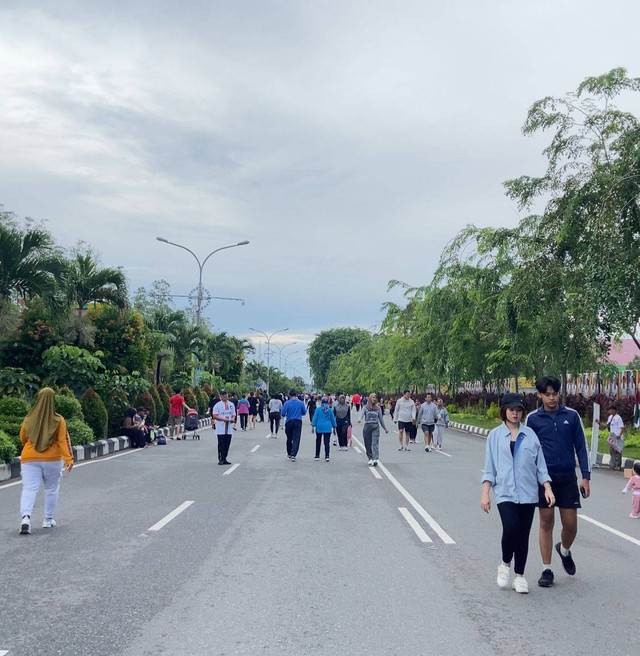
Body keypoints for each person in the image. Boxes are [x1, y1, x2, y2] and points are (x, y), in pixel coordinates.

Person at [481, 393, 555, 594]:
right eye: (512, 409)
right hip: (505, 492)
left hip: (528, 493)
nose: (515, 413)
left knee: (523, 535)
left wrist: (547, 488)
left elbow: (540, 467)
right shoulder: (495, 436)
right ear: (504, 410)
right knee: (511, 527)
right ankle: (505, 564)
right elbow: (490, 468)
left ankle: (519, 577)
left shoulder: (530, 435)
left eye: (519, 410)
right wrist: (485, 493)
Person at [525, 376, 591, 588]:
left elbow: (581, 447)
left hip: (567, 478)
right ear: (540, 395)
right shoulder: (533, 419)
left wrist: (586, 477)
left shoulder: (571, 416)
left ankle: (563, 549)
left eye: (555, 394)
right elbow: (528, 451)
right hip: (544, 479)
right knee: (546, 522)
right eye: (547, 394)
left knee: (571, 525)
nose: (551, 398)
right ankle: (547, 569)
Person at [18, 387, 74, 534]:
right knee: (51, 489)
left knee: (29, 489)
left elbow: (22, 438)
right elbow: (62, 441)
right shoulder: (58, 420)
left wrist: (31, 447)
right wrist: (69, 459)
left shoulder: (29, 418)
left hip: (29, 457)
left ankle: (25, 519)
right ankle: (47, 520)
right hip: (52, 459)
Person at [358, 393, 388, 466]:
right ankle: (370, 458)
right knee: (368, 443)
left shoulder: (378, 408)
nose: (374, 399)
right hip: (367, 426)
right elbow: (361, 414)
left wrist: (385, 428)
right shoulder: (365, 407)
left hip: (375, 426)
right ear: (370, 398)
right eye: (373, 397)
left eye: (375, 398)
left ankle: (375, 459)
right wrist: (359, 419)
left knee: (375, 443)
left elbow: (381, 419)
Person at [596, 405, 625, 471]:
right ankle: (613, 465)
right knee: (612, 451)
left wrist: (619, 435)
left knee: (617, 451)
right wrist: (599, 423)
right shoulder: (610, 417)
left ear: (614, 410)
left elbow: (622, 427)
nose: (609, 411)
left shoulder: (618, 418)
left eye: (611, 410)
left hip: (617, 436)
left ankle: (618, 465)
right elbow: (607, 425)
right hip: (612, 436)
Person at [281, 389, 307, 461]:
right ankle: (293, 454)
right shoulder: (301, 403)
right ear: (296, 395)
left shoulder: (287, 403)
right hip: (298, 421)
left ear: (289, 395)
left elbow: (282, 413)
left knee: (289, 438)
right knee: (296, 438)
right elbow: (304, 412)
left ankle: (289, 452)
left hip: (289, 421)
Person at [211, 389, 236, 465]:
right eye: (223, 394)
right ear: (220, 396)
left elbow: (233, 414)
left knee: (227, 443)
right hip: (221, 427)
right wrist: (223, 419)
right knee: (221, 443)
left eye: (225, 394)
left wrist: (232, 419)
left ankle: (225, 457)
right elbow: (214, 415)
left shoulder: (231, 404)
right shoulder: (217, 405)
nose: (224, 395)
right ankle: (221, 458)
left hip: (229, 427)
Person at [312, 397, 337, 461]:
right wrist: (334, 427)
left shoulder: (318, 409)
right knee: (326, 442)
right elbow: (333, 419)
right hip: (327, 427)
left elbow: (315, 418)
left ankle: (317, 455)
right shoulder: (330, 410)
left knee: (318, 441)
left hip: (319, 427)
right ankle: (327, 456)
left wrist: (313, 426)